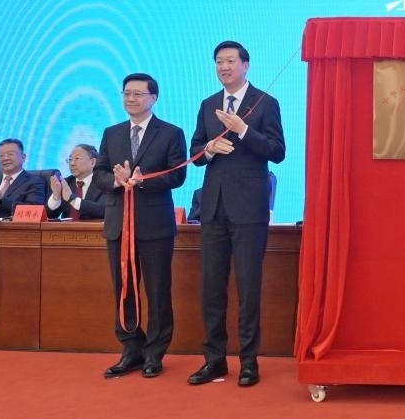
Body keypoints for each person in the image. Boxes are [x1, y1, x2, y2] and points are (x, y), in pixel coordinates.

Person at [187, 41, 285, 388]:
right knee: (211, 287)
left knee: (247, 286)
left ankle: (248, 361)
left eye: (230, 61)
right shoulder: (208, 104)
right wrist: (209, 149)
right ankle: (214, 360)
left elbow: (277, 151)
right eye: (219, 62)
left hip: (249, 209)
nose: (224, 67)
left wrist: (243, 130)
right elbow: (194, 152)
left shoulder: (265, 103)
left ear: (246, 65)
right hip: (213, 207)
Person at [93, 73, 187, 379]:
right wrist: (116, 181)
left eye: (137, 94)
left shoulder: (171, 133)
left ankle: (154, 353)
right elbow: (99, 173)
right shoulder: (111, 133)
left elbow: (177, 174)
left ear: (153, 98)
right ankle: (131, 348)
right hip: (118, 224)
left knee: (158, 291)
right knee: (123, 290)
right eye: (126, 93)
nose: (130, 99)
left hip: (154, 225)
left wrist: (141, 180)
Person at [0, 138, 46, 219]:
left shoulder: (35, 182)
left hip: (10, 226)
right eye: (0, 156)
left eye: (10, 154)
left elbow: (33, 211)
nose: (5, 158)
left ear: (23, 157)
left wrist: (1, 199)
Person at [47, 144, 106, 221]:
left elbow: (104, 210)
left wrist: (72, 199)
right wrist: (56, 197)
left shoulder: (104, 183)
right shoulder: (65, 183)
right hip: (66, 228)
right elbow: (49, 216)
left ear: (92, 162)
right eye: (70, 159)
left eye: (77, 158)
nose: (72, 163)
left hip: (93, 228)